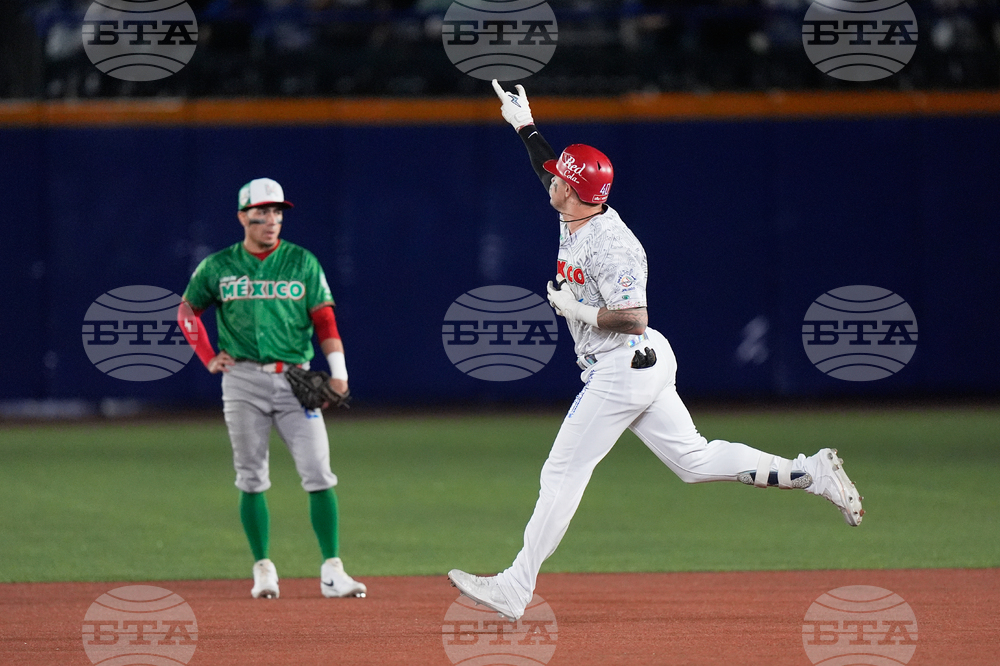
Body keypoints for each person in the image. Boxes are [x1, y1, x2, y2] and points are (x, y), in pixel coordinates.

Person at [447, 82, 864, 621]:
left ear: (576, 193)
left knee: (561, 474)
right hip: (638, 362)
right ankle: (810, 473)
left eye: (561, 180)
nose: (551, 180)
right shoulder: (576, 210)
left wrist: (577, 313)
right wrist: (524, 126)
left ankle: (515, 586)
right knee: (693, 460)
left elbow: (634, 315)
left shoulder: (611, 243)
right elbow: (549, 170)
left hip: (622, 362)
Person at [178, 177, 366, 600]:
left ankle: (332, 570)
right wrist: (207, 355)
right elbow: (187, 309)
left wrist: (339, 372)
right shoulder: (219, 266)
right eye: (263, 212)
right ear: (244, 216)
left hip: (296, 379)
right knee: (250, 478)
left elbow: (325, 321)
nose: (272, 220)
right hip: (241, 380)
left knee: (319, 472)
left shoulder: (302, 262)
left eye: (278, 212)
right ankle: (263, 567)